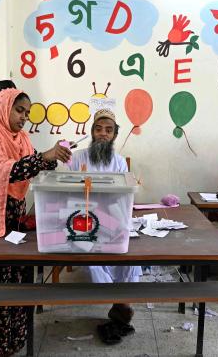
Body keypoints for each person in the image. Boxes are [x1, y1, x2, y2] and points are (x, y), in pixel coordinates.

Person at [0, 88, 71, 357]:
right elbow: (6, 170)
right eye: (19, 111)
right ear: (2, 107)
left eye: (28, 113)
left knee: (14, 286)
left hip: (14, 226)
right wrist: (44, 157)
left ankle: (6, 345)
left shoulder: (20, 139)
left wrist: (54, 157)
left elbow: (29, 165)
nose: (24, 118)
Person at [69, 109, 140, 344]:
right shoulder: (77, 158)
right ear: (91, 132)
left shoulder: (119, 161)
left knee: (127, 249)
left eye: (108, 130)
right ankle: (116, 299)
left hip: (113, 218)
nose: (103, 134)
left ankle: (122, 301)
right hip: (84, 219)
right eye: (98, 129)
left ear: (114, 135)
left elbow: (123, 197)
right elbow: (67, 194)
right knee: (90, 247)